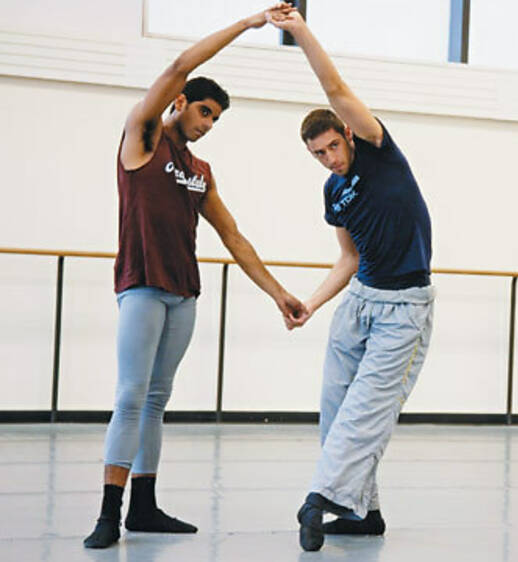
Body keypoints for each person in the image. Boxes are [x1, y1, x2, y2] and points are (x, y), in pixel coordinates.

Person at [83, 3, 305, 549]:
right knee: (131, 395)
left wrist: (279, 294)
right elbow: (181, 62)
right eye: (203, 112)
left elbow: (234, 236)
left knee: (157, 399)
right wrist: (249, 25)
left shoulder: (201, 172)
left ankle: (144, 507)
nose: (207, 125)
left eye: (215, 119)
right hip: (140, 286)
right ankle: (108, 514)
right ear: (180, 103)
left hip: (184, 295)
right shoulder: (142, 138)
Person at [266, 9, 435, 552]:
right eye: (318, 156)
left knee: (367, 410)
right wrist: (311, 304)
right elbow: (347, 257)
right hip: (359, 301)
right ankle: (366, 513)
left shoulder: (379, 152)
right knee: (337, 409)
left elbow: (333, 85)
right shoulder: (333, 192)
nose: (329, 160)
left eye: (332, 147)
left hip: (404, 307)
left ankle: (318, 498)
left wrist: (299, 31)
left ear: (345, 133)